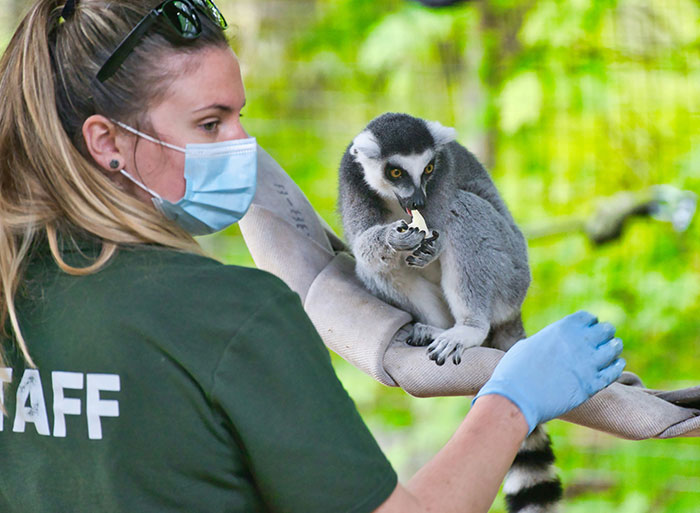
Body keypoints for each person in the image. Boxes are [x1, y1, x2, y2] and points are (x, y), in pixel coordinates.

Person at [0, 1, 625, 512]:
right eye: (211, 124)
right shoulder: (231, 317)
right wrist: (513, 401)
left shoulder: (15, 284)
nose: (243, 145)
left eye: (239, 116)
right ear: (106, 140)